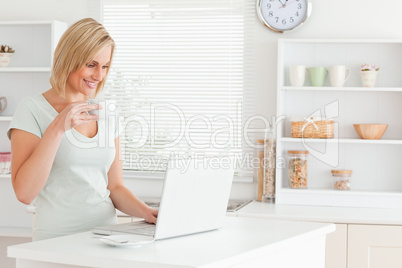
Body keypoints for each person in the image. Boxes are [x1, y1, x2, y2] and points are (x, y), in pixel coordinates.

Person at [7, 18, 158, 241]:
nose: (99, 76)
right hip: (55, 242)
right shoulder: (32, 110)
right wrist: (58, 127)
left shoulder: (107, 113)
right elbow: (24, 193)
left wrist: (148, 212)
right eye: (91, 64)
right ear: (69, 59)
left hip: (106, 239)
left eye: (105, 66)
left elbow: (115, 187)